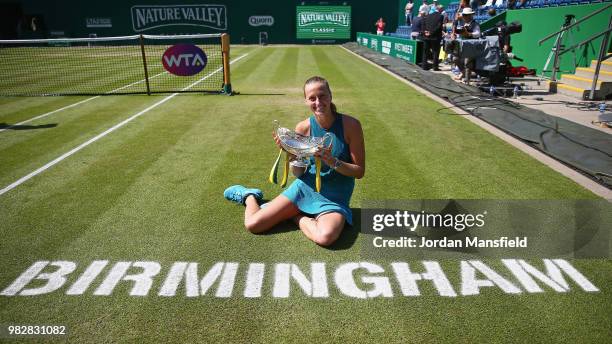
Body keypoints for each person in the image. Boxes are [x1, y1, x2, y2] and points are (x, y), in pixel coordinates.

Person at [223, 76, 366, 247]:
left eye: (322, 96)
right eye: (312, 98)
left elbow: (359, 171)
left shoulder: (351, 125)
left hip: (335, 196)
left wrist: (332, 161)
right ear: (306, 100)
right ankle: (249, 196)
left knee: (325, 237)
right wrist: (290, 155)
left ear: (330, 96)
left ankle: (293, 215)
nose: (318, 102)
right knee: (253, 225)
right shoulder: (303, 128)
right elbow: (298, 173)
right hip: (304, 189)